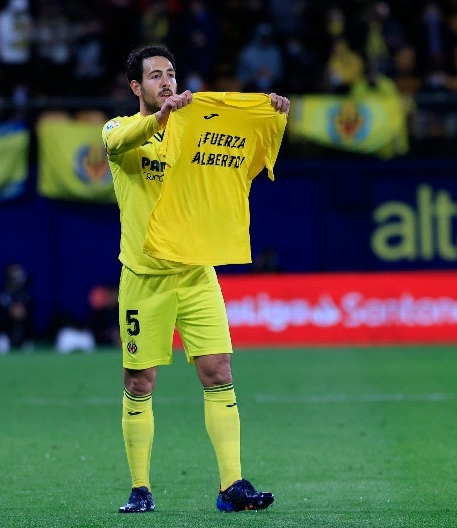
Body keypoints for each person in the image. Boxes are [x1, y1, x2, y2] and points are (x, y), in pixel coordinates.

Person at [101, 44, 289, 514]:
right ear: (136, 87)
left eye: (171, 73)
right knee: (140, 381)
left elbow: (236, 160)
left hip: (196, 272)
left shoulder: (195, 134)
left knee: (219, 371)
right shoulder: (121, 130)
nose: (166, 80)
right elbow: (118, 144)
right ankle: (140, 489)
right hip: (145, 277)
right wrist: (161, 117)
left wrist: (269, 118)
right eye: (155, 75)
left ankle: (232, 486)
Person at [0, 262, 34, 353]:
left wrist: (21, 310)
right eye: (14, 271)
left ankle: (25, 341)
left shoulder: (25, 293)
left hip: (23, 326)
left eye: (18, 271)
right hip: (6, 326)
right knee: (4, 319)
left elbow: (29, 307)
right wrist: (11, 310)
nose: (17, 274)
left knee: (28, 317)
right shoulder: (2, 292)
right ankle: (2, 340)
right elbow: (0, 309)